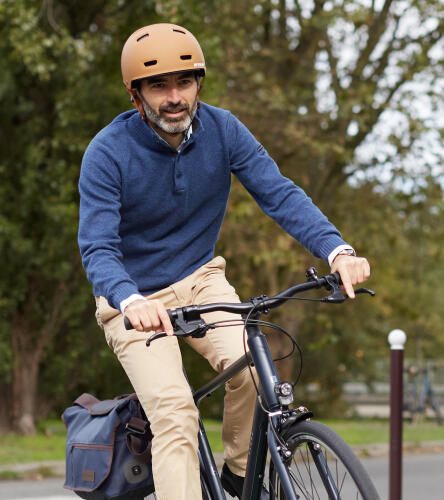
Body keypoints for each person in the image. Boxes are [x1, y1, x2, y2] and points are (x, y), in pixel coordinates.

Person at [78, 23, 370, 500]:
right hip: (134, 299)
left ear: (199, 84)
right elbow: (98, 247)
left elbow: (279, 193)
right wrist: (130, 299)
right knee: (174, 413)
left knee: (257, 367)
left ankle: (239, 472)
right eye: (159, 86)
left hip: (201, 280)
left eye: (184, 82)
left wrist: (338, 250)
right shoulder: (107, 152)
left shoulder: (223, 129)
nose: (174, 97)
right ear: (136, 95)